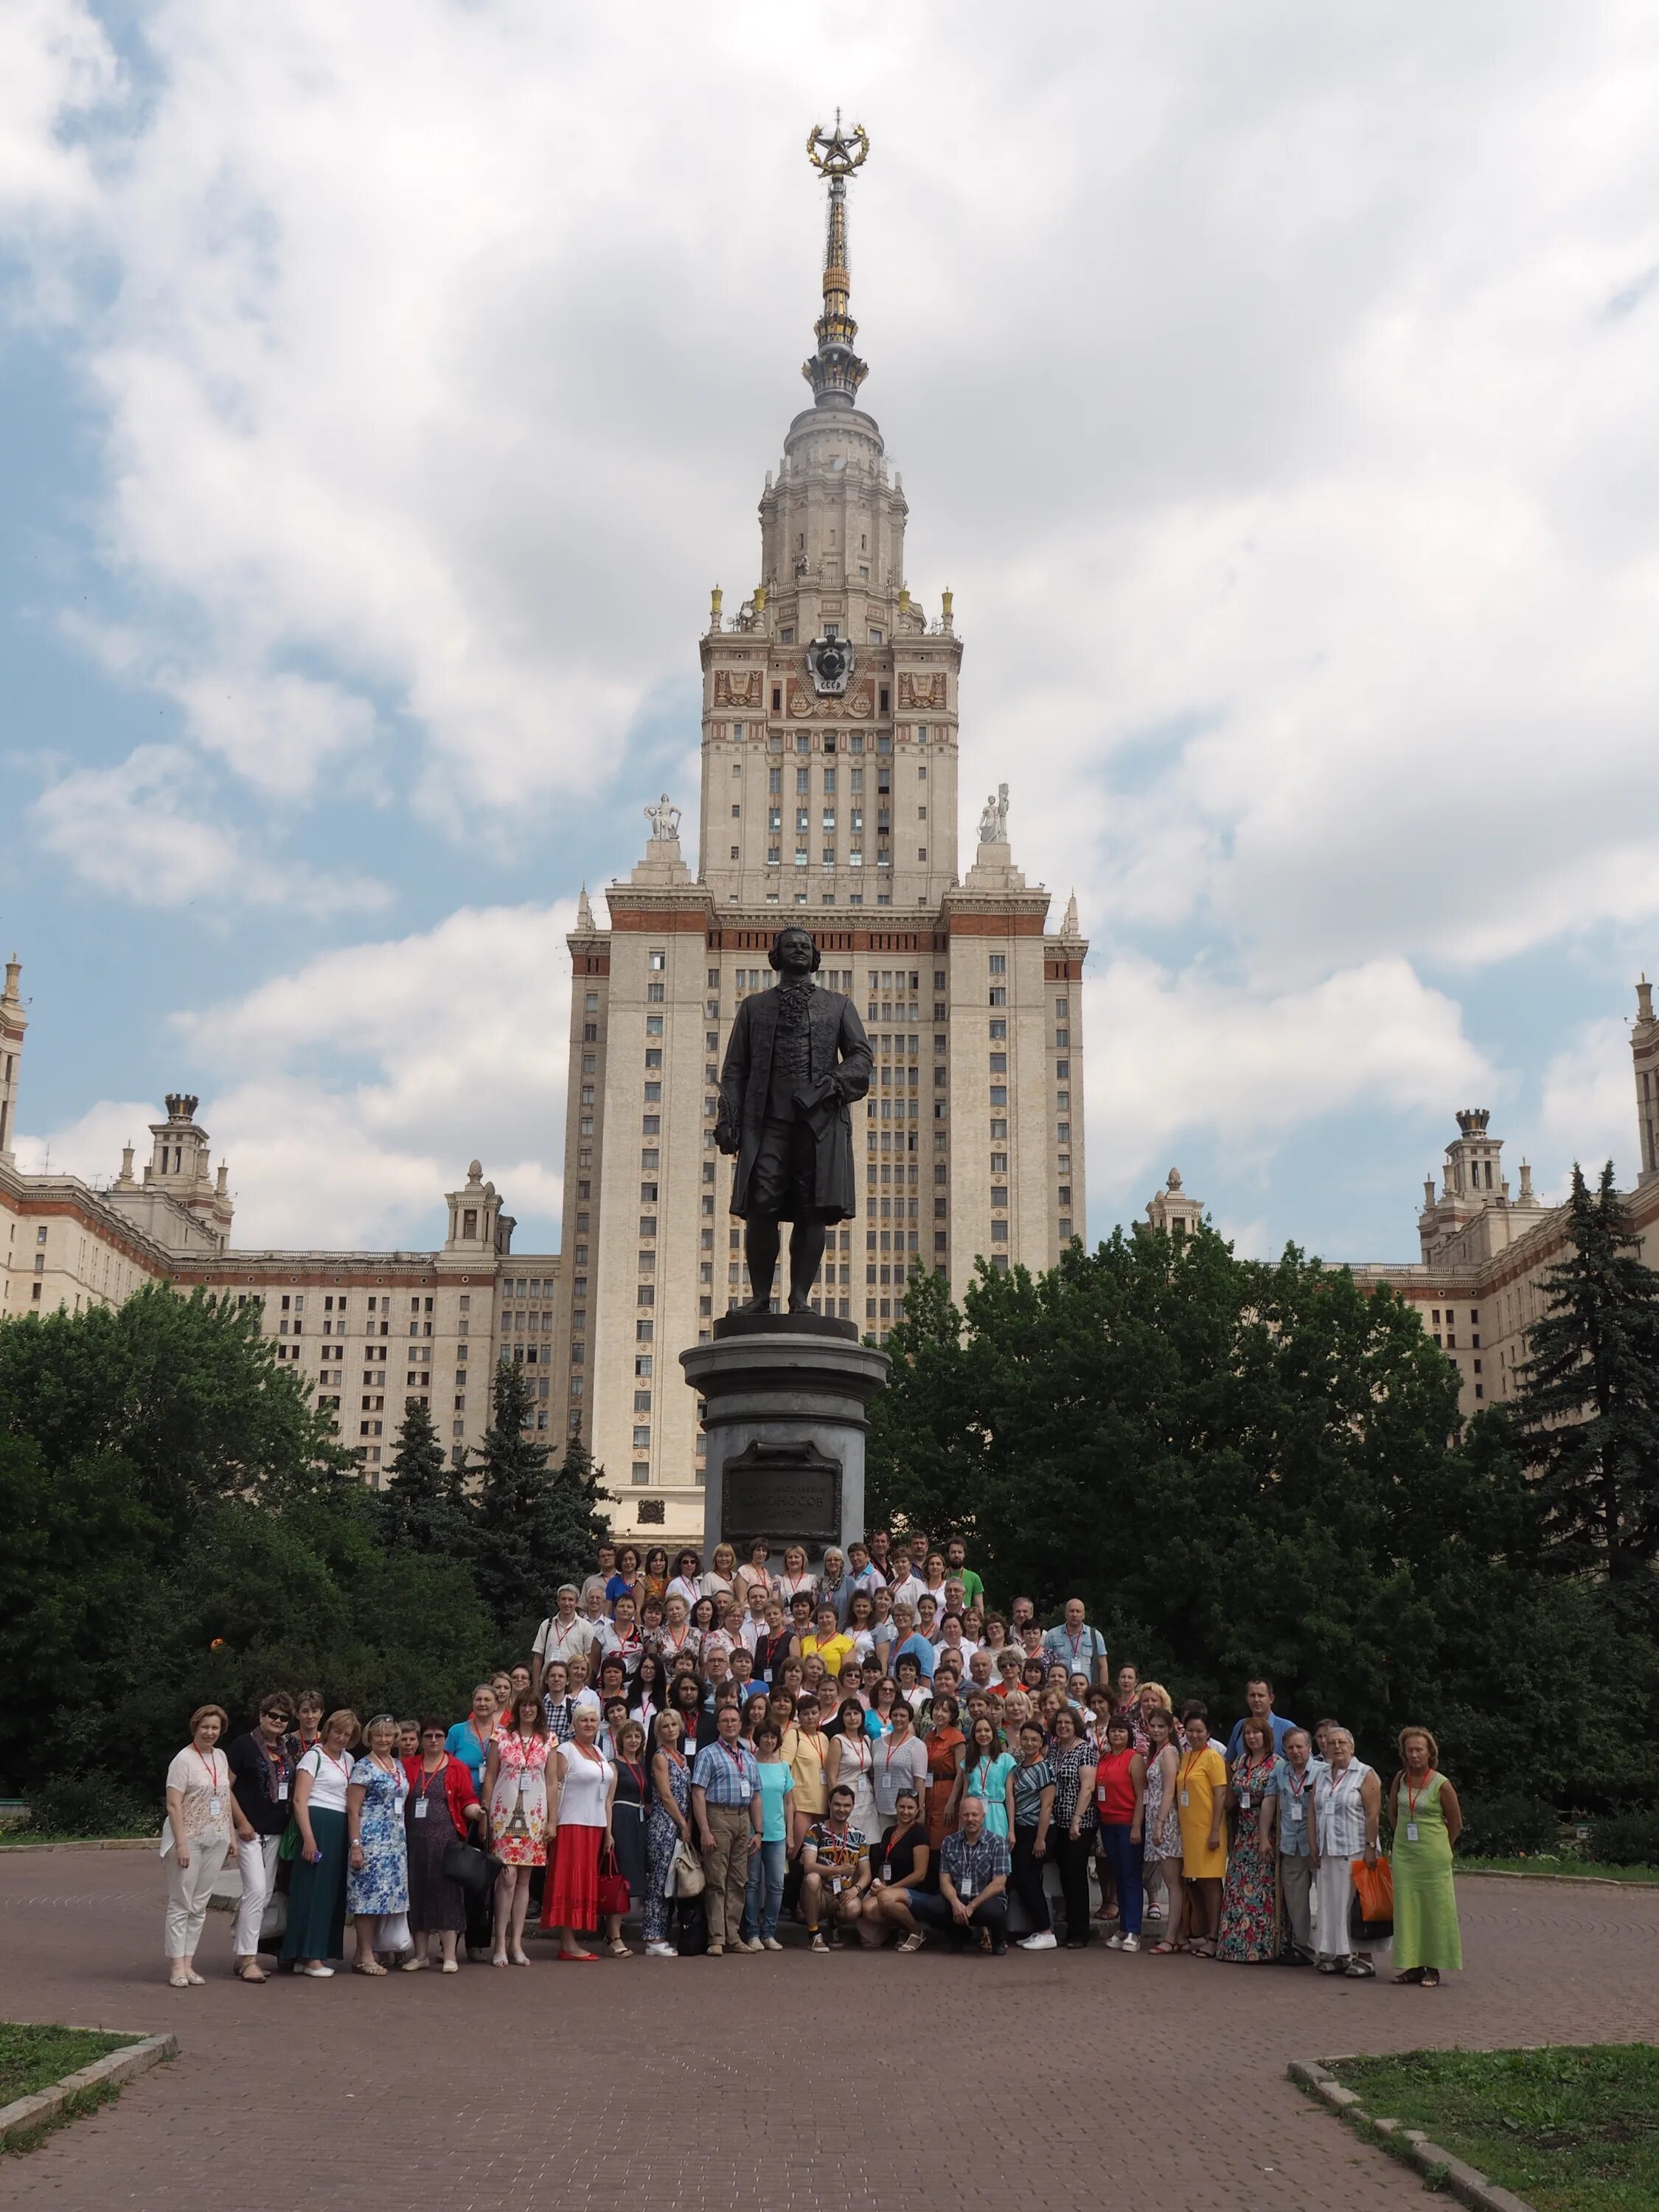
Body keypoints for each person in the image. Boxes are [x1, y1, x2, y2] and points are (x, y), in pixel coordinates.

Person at [162, 1703, 254, 1987]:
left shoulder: (221, 1757)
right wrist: (181, 1845)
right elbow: (173, 1804)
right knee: (181, 1902)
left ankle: (189, 1963)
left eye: (215, 1728)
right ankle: (176, 1966)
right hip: (188, 1837)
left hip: (215, 1838)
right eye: (205, 1727)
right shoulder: (183, 1760)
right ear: (195, 1727)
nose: (210, 1732)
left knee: (200, 1905)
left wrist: (231, 1835)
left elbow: (224, 1797)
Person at [401, 1718, 483, 1972]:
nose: (433, 1740)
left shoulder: (456, 1767)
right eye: (428, 1736)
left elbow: (467, 1800)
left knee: (448, 1895)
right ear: (422, 1739)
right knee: (417, 1893)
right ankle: (421, 1954)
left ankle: (450, 1955)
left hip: (446, 1838)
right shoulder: (407, 1765)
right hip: (413, 1840)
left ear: (445, 1739)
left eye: (438, 1736)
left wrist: (477, 1813)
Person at [282, 1708, 359, 1978]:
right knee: (311, 1891)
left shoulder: (349, 1760)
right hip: (317, 1824)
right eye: (337, 1731)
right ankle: (307, 1954)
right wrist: (310, 1839)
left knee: (330, 1893)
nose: (341, 1737)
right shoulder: (313, 1757)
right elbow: (300, 1800)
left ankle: (317, 1952)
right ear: (328, 1730)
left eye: (347, 1734)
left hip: (339, 1827)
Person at [226, 1691, 296, 1983]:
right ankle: (248, 1959)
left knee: (264, 1895)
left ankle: (245, 1955)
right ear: (262, 1716)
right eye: (273, 1715)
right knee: (255, 1891)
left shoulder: (285, 1749)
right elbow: (224, 1787)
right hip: (250, 1831)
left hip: (276, 1829)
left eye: (283, 1718)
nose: (278, 1721)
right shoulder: (243, 1745)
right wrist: (240, 1822)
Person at [887, 1795, 1009, 1955]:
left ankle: (999, 1940)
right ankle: (960, 1935)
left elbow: (999, 1884)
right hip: (958, 1898)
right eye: (966, 1815)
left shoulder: (997, 1842)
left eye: (974, 1815)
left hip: (984, 1900)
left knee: (993, 1911)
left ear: (983, 1816)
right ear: (960, 1816)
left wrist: (972, 1906)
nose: (970, 1819)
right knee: (933, 1906)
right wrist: (955, 1903)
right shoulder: (949, 1842)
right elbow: (945, 1880)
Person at [1388, 1727, 1463, 1988]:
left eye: (1419, 1749)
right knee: (1408, 1909)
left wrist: (1444, 1846)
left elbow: (1456, 1822)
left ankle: (1433, 1966)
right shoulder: (1401, 1778)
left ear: (1430, 1753)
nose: (1414, 1754)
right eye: (1409, 1750)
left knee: (1435, 1909)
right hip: (1405, 1855)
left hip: (1433, 1856)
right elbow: (1393, 1814)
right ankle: (1412, 1964)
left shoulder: (1441, 1783)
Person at [484, 1690, 553, 1966]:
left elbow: (551, 1782)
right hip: (503, 1813)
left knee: (524, 1879)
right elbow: (489, 1776)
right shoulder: (500, 1736)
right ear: (516, 1708)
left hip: (535, 1814)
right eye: (523, 1705)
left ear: (538, 1710)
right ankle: (499, 1942)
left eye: (532, 1706)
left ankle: (517, 1942)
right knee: (507, 1877)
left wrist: (553, 1819)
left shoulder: (549, 1739)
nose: (527, 1710)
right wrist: (486, 1812)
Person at [543, 1700, 616, 1961]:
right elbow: (553, 1785)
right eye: (583, 1720)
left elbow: (606, 1796)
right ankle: (567, 1942)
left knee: (583, 1881)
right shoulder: (566, 1750)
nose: (588, 1724)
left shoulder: (598, 1750)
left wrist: (608, 1831)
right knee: (569, 1881)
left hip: (594, 1825)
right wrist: (551, 1821)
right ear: (574, 1724)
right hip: (571, 1822)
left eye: (593, 1720)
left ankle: (572, 1940)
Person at [690, 1701, 762, 1956]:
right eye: (725, 1721)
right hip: (718, 1816)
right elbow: (698, 1793)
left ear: (741, 1724)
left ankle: (733, 1936)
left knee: (738, 1881)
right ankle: (716, 1938)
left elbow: (755, 1796)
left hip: (743, 1819)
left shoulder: (749, 1757)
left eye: (734, 1720)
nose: (730, 1724)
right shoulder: (707, 1754)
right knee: (717, 1880)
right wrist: (705, 1830)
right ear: (718, 1725)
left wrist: (759, 1831)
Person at [1312, 1725, 1381, 1979]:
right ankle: (1340, 1955)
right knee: (1332, 1905)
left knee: (1358, 1906)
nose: (1337, 1747)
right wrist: (1314, 1844)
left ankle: (1365, 1959)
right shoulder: (1321, 1775)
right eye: (1332, 1743)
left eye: (1342, 1742)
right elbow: (1314, 1810)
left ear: (1352, 1747)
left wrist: (1371, 1848)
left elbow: (1373, 1814)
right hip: (1328, 1850)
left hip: (1356, 1851)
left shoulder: (1365, 1774)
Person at [344, 1714, 411, 1976]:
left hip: (395, 1842)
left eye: (388, 1735)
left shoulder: (397, 1765)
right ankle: (365, 1956)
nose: (383, 1740)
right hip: (371, 1841)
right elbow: (353, 1808)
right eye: (378, 1735)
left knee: (384, 1900)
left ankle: (363, 1953)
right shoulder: (364, 1767)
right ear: (370, 1738)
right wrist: (356, 1845)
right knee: (367, 1900)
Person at [1215, 1715, 1281, 1963]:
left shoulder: (1276, 1763)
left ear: (1266, 1736)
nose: (1252, 1737)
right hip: (1242, 1830)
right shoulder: (1242, 1761)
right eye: (1248, 1734)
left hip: (1264, 1832)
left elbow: (1273, 1799)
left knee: (1261, 1889)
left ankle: (1262, 1947)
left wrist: (1265, 1836)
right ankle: (1235, 1946)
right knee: (1237, 1887)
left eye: (1257, 1733)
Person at [1175, 1704, 1228, 1958]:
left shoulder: (1213, 1757)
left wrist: (1215, 1830)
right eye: (1189, 1730)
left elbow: (1220, 1794)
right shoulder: (1186, 1757)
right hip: (1189, 1830)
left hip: (1208, 1829)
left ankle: (1215, 1936)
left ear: (1208, 1733)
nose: (1193, 1735)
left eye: (1199, 1731)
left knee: (1211, 1884)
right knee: (1196, 1882)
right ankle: (1199, 1930)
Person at [642, 1711, 695, 1958]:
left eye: (674, 1724)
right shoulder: (660, 1758)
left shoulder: (682, 1758)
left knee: (671, 1882)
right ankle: (653, 1937)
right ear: (658, 1731)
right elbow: (665, 1795)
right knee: (659, 1881)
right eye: (665, 1726)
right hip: (665, 1824)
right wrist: (684, 1824)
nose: (671, 1729)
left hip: (680, 1824)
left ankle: (662, 1932)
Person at [1093, 1712, 1147, 1952]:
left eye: (1122, 1730)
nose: (1117, 1734)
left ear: (1129, 1735)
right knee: (1118, 1876)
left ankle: (1134, 1930)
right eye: (1113, 1730)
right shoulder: (1103, 1758)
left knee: (1130, 1877)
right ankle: (1124, 1926)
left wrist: (1136, 1825)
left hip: (1127, 1824)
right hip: (1108, 1823)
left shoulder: (1133, 1758)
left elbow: (1140, 1795)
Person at [1046, 1704, 1098, 1947]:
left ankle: (1080, 1932)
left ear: (1076, 1725)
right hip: (1058, 1822)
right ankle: (1071, 1927)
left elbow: (1087, 1787)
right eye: (1059, 1723)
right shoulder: (1054, 1750)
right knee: (1066, 1876)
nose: (1063, 1726)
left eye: (1067, 1723)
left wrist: (1077, 1819)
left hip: (1080, 1823)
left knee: (1076, 1876)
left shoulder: (1085, 1750)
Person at [742, 1721, 794, 1950]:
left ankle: (769, 1932)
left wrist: (790, 1834)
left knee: (776, 1885)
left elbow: (790, 1803)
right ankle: (752, 1933)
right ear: (758, 1738)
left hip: (778, 1834)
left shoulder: (784, 1767)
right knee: (752, 1884)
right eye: (765, 1736)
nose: (769, 1741)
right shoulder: (748, 1763)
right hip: (753, 1833)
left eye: (773, 1737)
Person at [801, 1783, 871, 1950]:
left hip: (844, 1894)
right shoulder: (815, 1830)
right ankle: (814, 1934)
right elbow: (808, 1866)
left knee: (854, 1908)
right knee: (812, 1879)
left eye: (847, 1805)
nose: (842, 1809)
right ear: (830, 1804)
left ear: (853, 1807)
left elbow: (866, 1873)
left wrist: (856, 1889)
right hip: (820, 1894)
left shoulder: (859, 1836)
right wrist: (838, 1870)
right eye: (838, 1804)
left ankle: (835, 1925)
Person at [862, 1787, 931, 1947]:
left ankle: (917, 1932)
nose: (905, 1812)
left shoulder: (919, 1833)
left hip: (915, 1892)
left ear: (918, 1810)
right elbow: (883, 1862)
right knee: (868, 1909)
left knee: (885, 1899)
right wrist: (881, 1884)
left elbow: (920, 1875)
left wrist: (889, 1889)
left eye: (910, 1808)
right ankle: (902, 1928)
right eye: (902, 1807)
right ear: (896, 1807)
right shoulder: (888, 1832)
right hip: (889, 1888)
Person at [1010, 1719, 1057, 1950]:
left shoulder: (1044, 1767)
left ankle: (1046, 1931)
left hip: (1037, 1829)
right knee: (1022, 1879)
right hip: (1020, 1828)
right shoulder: (1019, 1767)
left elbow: (1047, 1805)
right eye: (1025, 1738)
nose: (1029, 1743)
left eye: (1034, 1740)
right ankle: (1037, 1929)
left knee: (1029, 1879)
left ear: (1041, 1742)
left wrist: (1041, 1838)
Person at [1143, 1705, 1186, 1952]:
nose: (1157, 1730)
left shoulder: (1168, 1753)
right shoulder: (1157, 1752)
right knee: (1171, 1881)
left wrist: (1159, 1823)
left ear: (1170, 1729)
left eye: (1161, 1726)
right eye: (1153, 1726)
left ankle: (1170, 1937)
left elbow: (1170, 1789)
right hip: (1158, 1820)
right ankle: (1177, 1935)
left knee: (1172, 1883)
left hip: (1167, 1821)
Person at [607, 1717, 651, 1959]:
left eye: (637, 1736)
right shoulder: (615, 1765)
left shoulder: (643, 1765)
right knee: (620, 1879)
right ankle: (614, 1934)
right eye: (629, 1736)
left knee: (632, 1876)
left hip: (638, 1821)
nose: (633, 1741)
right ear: (620, 1740)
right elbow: (608, 1800)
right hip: (621, 1820)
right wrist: (608, 1832)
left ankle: (615, 1930)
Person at [1276, 1726, 1321, 1964]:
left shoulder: (1323, 1772)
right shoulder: (1280, 1771)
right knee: (1295, 1900)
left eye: (1299, 1746)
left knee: (1327, 1898)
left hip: (1317, 1846)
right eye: (1290, 1747)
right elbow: (1271, 1802)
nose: (1295, 1751)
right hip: (1290, 1844)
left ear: (1309, 1747)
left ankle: (1331, 1948)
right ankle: (1303, 1947)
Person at [953, 1712, 1016, 1842]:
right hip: (972, 1813)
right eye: (979, 1731)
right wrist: (960, 1827)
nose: (983, 1734)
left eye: (987, 1730)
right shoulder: (969, 1761)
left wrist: (1011, 1830)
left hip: (996, 1814)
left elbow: (1010, 1797)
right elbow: (965, 1796)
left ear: (993, 1733)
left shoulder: (1005, 1760)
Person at [872, 1696, 929, 1829]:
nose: (898, 1719)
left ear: (909, 1719)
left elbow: (919, 1781)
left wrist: (920, 1808)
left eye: (903, 1716)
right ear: (890, 1717)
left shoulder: (917, 1745)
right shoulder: (877, 1744)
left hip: (906, 1810)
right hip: (882, 1807)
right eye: (895, 1715)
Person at [826, 1695, 878, 1836]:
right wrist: (835, 1802)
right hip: (845, 1798)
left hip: (866, 1799)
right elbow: (831, 1775)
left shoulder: (866, 1740)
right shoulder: (838, 1741)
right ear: (842, 1718)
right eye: (848, 1714)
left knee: (867, 1841)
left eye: (856, 1713)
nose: (853, 1718)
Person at [923, 1691, 965, 1849]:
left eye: (945, 1711)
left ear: (952, 1716)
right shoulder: (929, 1736)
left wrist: (952, 1801)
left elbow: (961, 1773)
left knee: (943, 1840)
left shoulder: (957, 1738)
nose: (939, 1714)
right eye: (936, 1709)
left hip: (947, 1791)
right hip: (929, 1790)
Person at [1225, 1677, 1299, 1762]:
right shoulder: (1240, 1726)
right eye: (1252, 1695)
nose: (1256, 1700)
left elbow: (1303, 1761)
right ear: (1247, 1698)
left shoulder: (1287, 1728)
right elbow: (1229, 1762)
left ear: (1271, 1699)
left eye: (1261, 1696)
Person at [1041, 1598, 1110, 1688]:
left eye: (1078, 1611)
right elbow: (1047, 1666)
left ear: (1084, 1615)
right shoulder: (1052, 1635)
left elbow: (1103, 1666)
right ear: (1066, 1614)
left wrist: (1103, 1691)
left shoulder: (1095, 1635)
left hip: (1087, 1689)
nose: (1074, 1614)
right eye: (1071, 1611)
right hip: (1060, 1690)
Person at [802, 1601, 854, 1680]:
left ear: (836, 1620)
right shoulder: (805, 1641)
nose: (824, 1620)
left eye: (828, 1617)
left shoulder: (846, 1644)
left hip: (831, 1689)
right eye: (821, 1618)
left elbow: (847, 1675)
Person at [944, 1537, 984, 1608]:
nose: (957, 1555)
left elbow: (979, 1607)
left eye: (960, 1552)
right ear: (948, 1554)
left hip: (965, 1617)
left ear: (964, 1554)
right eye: (953, 1552)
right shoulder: (941, 1575)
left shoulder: (974, 1577)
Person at [735, 1537, 775, 1605]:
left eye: (764, 1550)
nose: (761, 1553)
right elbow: (740, 1601)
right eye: (758, 1550)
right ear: (752, 1552)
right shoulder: (744, 1570)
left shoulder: (766, 1572)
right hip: (749, 1612)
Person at [287, 1691, 324, 1764]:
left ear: (321, 1713)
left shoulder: (327, 1741)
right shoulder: (285, 1742)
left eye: (314, 1711)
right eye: (305, 1711)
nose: (310, 1716)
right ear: (297, 1714)